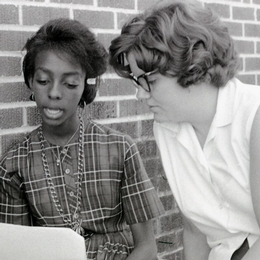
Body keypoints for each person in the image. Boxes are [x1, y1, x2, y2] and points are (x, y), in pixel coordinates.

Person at [0, 18, 164, 260]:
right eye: (43, 81)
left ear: (85, 87)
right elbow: (19, 252)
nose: (54, 93)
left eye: (70, 83)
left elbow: (147, 248)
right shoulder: (13, 165)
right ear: (31, 82)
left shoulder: (120, 148)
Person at [109, 0, 260, 259]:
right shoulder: (166, 128)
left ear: (193, 68)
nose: (139, 95)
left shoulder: (253, 115)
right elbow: (195, 228)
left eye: (150, 81)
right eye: (137, 81)